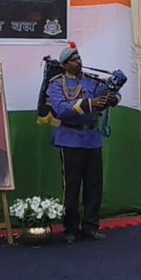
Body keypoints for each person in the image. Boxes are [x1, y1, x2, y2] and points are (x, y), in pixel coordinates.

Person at [46, 42, 119, 243]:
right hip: (70, 139)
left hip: (92, 139)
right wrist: (90, 104)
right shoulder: (56, 84)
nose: (79, 62)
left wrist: (112, 98)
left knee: (94, 185)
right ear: (65, 65)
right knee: (72, 186)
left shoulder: (91, 81)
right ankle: (70, 229)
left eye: (79, 58)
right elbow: (61, 110)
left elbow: (107, 95)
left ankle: (91, 226)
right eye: (74, 60)